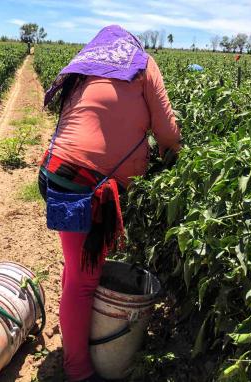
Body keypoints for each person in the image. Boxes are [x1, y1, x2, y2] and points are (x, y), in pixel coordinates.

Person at [39, 25, 181, 382]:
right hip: (85, 186)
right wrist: (172, 158)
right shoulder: (141, 65)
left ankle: (76, 334)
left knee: (76, 269)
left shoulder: (85, 69)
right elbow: (168, 132)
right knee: (84, 281)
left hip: (58, 173)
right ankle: (78, 370)